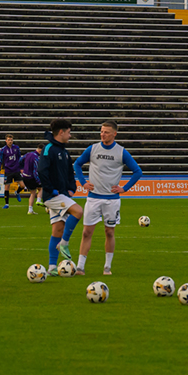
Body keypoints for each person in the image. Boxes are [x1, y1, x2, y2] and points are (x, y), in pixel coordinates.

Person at [72, 120, 143, 276]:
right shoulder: (92, 149)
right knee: (86, 232)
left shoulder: (121, 152)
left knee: (109, 232)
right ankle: (80, 267)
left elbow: (137, 171)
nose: (103, 134)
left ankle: (107, 267)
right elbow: (77, 164)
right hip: (93, 198)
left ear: (114, 134)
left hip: (112, 200)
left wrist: (124, 188)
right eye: (101, 131)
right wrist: (83, 183)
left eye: (106, 132)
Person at [38, 118, 83, 277]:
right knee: (78, 211)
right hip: (53, 196)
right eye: (69, 132)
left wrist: (72, 188)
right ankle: (64, 243)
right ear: (61, 132)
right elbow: (42, 171)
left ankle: (51, 267)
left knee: (57, 229)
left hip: (63, 194)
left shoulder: (64, 151)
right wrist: (52, 190)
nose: (70, 136)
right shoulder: (48, 148)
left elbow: (69, 173)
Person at [0, 135, 23, 208]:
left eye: (11, 140)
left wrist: (21, 168)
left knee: (22, 185)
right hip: (8, 170)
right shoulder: (3, 150)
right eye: (9, 140)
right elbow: (0, 160)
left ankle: (17, 192)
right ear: (6, 141)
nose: (10, 141)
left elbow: (19, 158)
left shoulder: (16, 148)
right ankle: (7, 204)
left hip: (16, 169)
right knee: (7, 187)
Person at [21, 145, 43, 214]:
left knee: (33, 193)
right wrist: (38, 181)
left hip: (24, 176)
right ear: (40, 150)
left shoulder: (28, 154)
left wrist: (21, 169)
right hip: (31, 177)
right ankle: (39, 200)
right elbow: (35, 171)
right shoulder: (36, 157)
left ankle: (30, 210)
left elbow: (20, 160)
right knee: (42, 188)